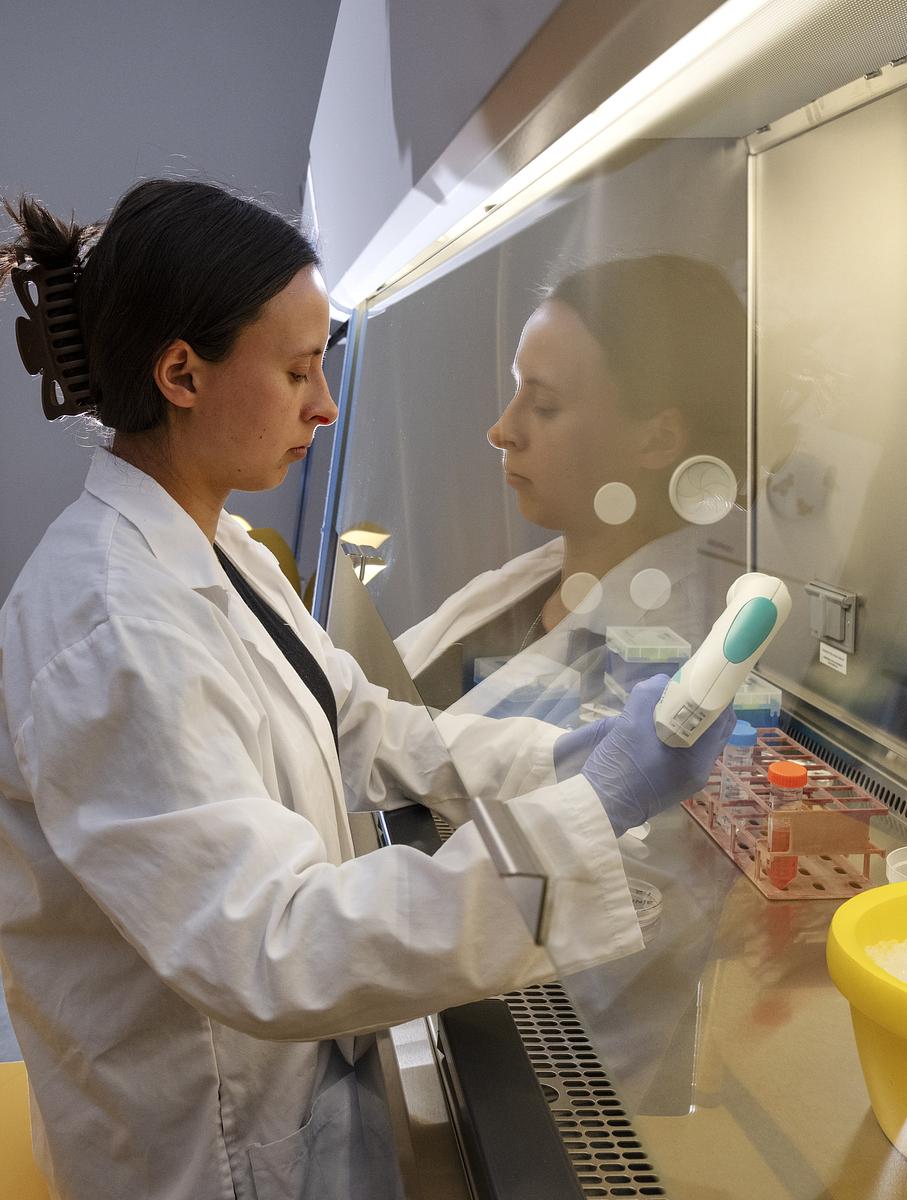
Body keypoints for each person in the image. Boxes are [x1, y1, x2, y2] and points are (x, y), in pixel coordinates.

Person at [0, 180, 733, 1200]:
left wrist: (563, 761)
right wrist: (593, 811)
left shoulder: (220, 553)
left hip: (288, 1094)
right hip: (206, 1154)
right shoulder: (110, 626)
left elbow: (365, 727)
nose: (327, 404)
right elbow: (271, 943)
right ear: (182, 373)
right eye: (298, 370)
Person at [396, 254, 746, 723]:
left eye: (544, 405)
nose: (501, 430)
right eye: (518, 390)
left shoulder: (662, 665)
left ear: (658, 438)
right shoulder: (541, 579)